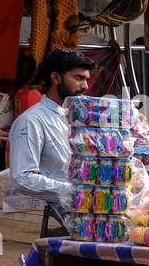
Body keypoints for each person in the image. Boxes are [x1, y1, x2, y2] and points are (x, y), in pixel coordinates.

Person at [9, 48, 94, 215]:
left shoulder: (81, 117)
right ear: (56, 78)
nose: (85, 86)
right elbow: (22, 178)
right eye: (78, 78)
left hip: (95, 202)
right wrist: (76, 191)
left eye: (86, 79)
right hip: (72, 210)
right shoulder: (32, 120)